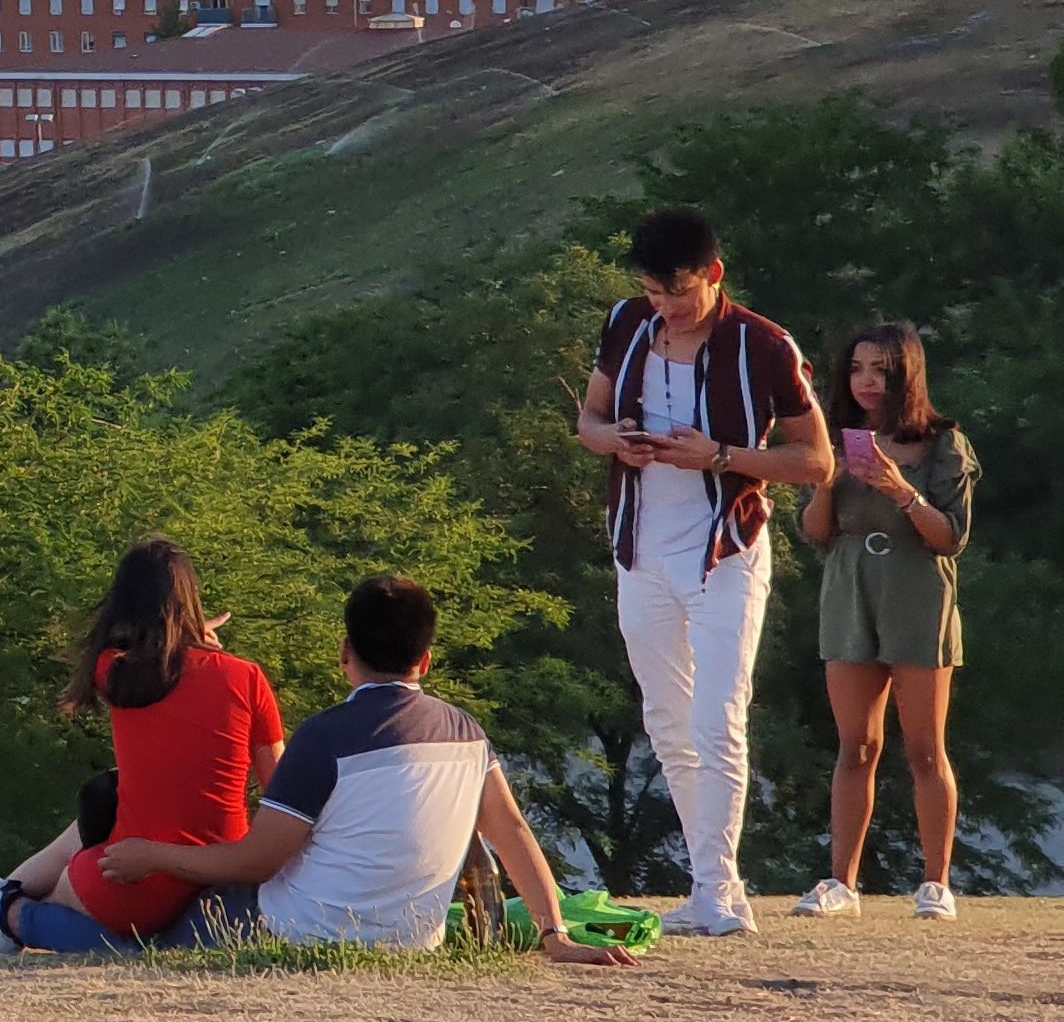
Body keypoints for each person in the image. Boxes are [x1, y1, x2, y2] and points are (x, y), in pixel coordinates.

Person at [63, 575, 632, 963]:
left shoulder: (325, 739)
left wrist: (151, 855)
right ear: (426, 658)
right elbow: (511, 831)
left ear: (344, 654)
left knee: (143, 937)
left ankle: (9, 911)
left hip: (295, 932)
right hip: (412, 942)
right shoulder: (467, 734)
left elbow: (257, 861)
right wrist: (553, 934)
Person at [572, 203, 832, 935]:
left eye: (678, 295)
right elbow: (587, 421)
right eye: (654, 294)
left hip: (726, 550)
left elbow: (817, 462)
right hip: (641, 546)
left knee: (719, 718)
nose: (666, 310)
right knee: (665, 719)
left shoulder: (765, 345)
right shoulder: (625, 324)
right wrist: (614, 442)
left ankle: (719, 895)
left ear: (714, 276)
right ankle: (712, 883)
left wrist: (720, 456)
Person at [0, 538, 282, 952]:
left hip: (133, 883)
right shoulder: (248, 679)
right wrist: (197, 637)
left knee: (81, 860)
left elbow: (147, 651)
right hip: (219, 868)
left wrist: (183, 636)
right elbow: (281, 793)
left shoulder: (113, 672)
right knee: (111, 800)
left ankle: (3, 913)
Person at [792, 320, 976, 920]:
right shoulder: (834, 440)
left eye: (882, 370)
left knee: (925, 749)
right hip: (848, 586)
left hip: (917, 588)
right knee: (856, 746)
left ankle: (936, 884)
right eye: (857, 369)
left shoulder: (943, 444)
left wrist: (901, 490)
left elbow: (950, 538)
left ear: (906, 375)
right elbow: (816, 535)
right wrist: (827, 482)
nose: (868, 382)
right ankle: (841, 882)